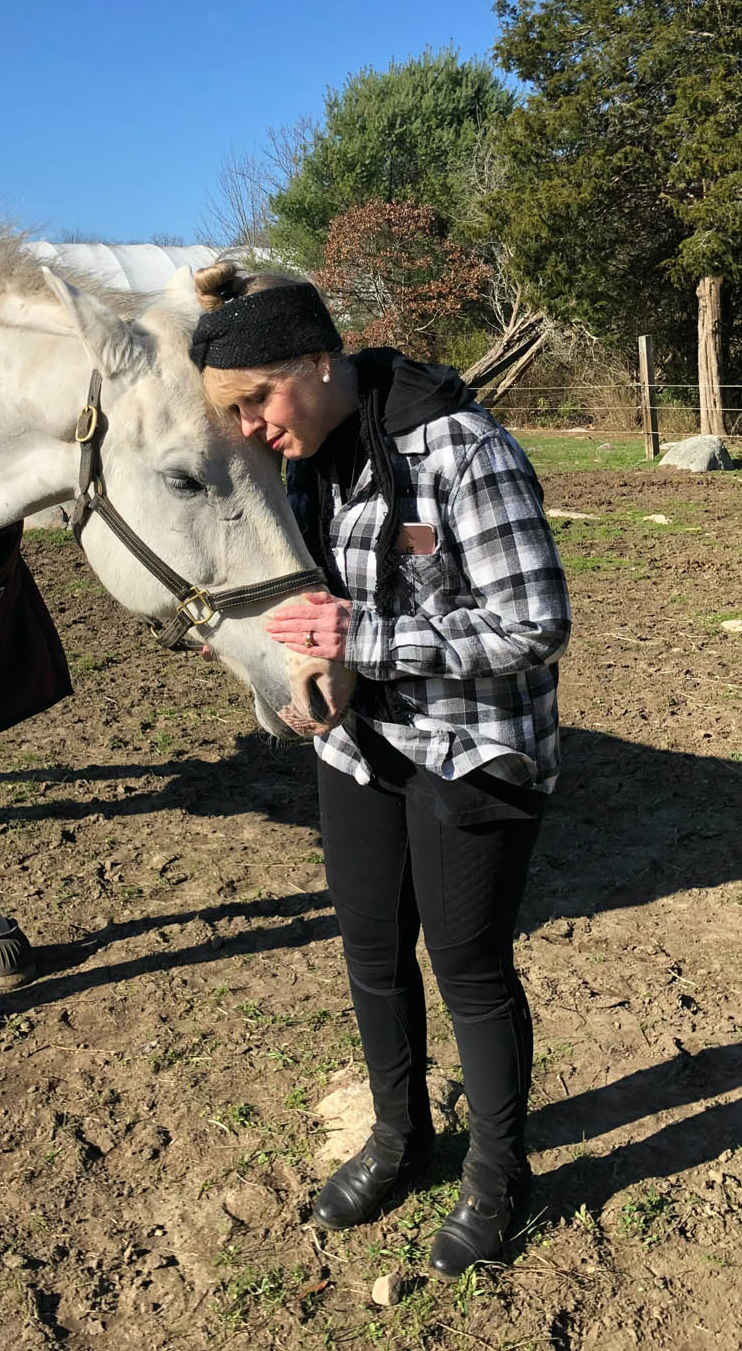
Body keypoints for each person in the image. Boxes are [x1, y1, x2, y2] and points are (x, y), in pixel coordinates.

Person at [189, 263, 571, 1281]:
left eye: (255, 403)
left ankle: (499, 1173)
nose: (250, 432)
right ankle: (402, 1140)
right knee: (370, 956)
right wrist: (287, 662)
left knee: (471, 970)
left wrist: (367, 640)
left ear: (320, 361)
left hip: (473, 746)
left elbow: (535, 624)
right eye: (231, 415)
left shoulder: (461, 448)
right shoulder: (305, 463)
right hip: (359, 746)